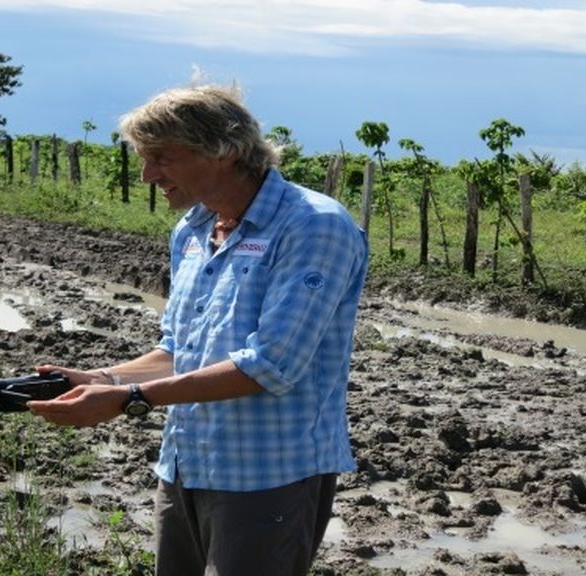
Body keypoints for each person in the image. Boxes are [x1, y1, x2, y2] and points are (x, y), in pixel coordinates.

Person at [28, 84, 368, 576]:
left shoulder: (313, 226)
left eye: (162, 157)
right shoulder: (193, 229)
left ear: (223, 152)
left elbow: (271, 365)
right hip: (186, 464)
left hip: (267, 475)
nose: (147, 175)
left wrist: (131, 400)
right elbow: (179, 349)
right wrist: (106, 379)